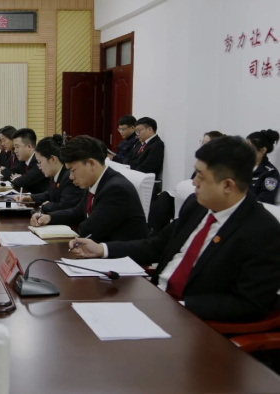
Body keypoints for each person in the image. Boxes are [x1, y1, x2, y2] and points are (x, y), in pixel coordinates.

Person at [69, 136, 280, 322]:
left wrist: (179, 308)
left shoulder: (262, 231)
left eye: (200, 176)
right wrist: (102, 249)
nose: (193, 182)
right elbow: (156, 246)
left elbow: (249, 304)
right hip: (154, 299)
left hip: (192, 321)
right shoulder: (196, 206)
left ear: (228, 185)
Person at [32, 135, 147, 242]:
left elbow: (89, 229)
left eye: (73, 170)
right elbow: (77, 213)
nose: (71, 177)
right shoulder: (95, 182)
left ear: (91, 163)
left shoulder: (116, 189)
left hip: (118, 254)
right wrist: (49, 218)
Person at [148, 130, 225, 233]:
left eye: (206, 143)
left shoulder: (219, 166)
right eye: (202, 142)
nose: (202, 146)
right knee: (164, 197)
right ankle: (154, 231)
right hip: (191, 193)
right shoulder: (202, 162)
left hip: (201, 197)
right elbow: (193, 180)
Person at [19, 134, 81, 219]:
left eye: (40, 162)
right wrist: (30, 198)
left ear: (53, 159)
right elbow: (49, 194)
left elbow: (64, 207)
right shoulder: (55, 174)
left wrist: (46, 206)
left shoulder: (69, 177)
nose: (39, 167)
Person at [1, 128, 48, 193]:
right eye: (14, 147)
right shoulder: (23, 161)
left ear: (29, 147)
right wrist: (19, 178)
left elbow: (21, 182)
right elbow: (5, 171)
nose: (15, 151)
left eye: (17, 147)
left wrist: (19, 178)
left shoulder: (39, 162)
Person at [247, 129, 280, 204]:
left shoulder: (270, 174)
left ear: (263, 150)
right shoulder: (240, 168)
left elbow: (264, 202)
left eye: (249, 147)